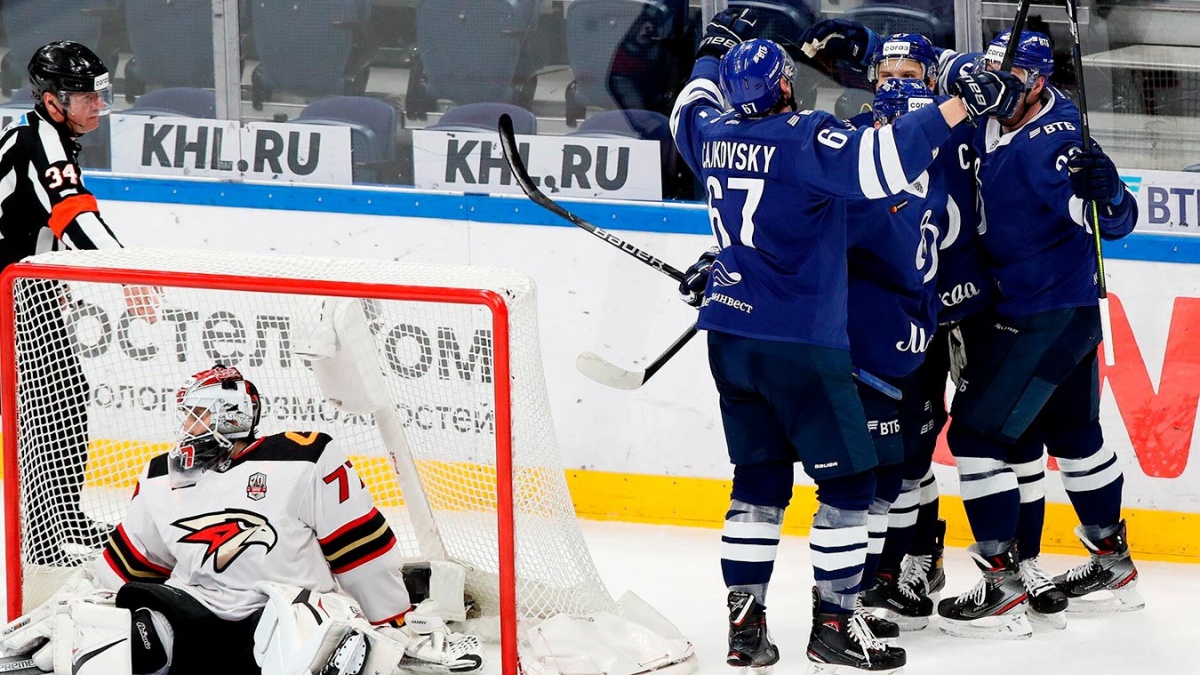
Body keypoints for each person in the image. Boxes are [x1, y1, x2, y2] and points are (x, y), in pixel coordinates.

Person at [672, 9, 1022, 671]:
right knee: (853, 486)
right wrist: (958, 106)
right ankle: (833, 624)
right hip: (799, 343)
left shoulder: (710, 130)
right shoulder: (805, 137)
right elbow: (881, 163)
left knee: (756, 485)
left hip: (729, 335)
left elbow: (686, 107)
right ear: (784, 86)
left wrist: (709, 54)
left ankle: (745, 629)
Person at [0, 364, 484, 675]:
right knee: (109, 636)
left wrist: (394, 622)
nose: (185, 427)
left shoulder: (303, 459)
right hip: (194, 618)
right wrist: (78, 609)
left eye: (195, 414)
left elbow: (361, 548)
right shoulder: (164, 476)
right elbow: (130, 564)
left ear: (229, 416)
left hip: (288, 613)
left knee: (315, 641)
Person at [933, 29, 1143, 638]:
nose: (999, 87)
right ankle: (1114, 567)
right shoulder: (993, 99)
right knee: (1074, 434)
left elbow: (1113, 222)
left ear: (1040, 82)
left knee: (975, 435)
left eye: (1014, 79)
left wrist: (1111, 195)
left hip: (1041, 315)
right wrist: (867, 43)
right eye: (992, 73)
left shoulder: (1056, 144)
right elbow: (941, 65)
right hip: (1059, 310)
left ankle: (1001, 587)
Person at [0, 40, 158, 567]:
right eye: (85, 96)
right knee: (52, 404)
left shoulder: (40, 135)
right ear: (51, 100)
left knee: (62, 399)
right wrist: (127, 274)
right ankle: (47, 534)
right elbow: (74, 218)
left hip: (27, 293)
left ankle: (58, 520)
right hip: (14, 296)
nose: (97, 104)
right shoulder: (41, 143)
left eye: (99, 93)